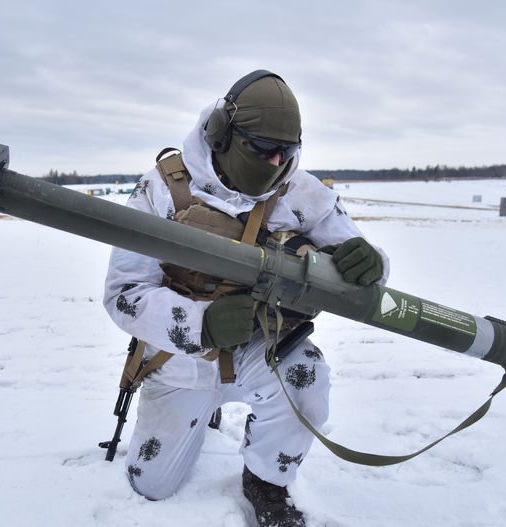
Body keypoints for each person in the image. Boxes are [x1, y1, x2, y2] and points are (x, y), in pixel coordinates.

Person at [103, 70, 388, 527]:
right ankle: (197, 417)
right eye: (261, 149)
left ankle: (265, 480)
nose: (275, 163)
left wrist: (371, 262)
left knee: (307, 380)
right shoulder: (162, 189)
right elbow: (124, 294)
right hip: (179, 360)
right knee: (151, 486)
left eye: (287, 152)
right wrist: (201, 325)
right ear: (222, 135)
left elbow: (357, 256)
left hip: (263, 347)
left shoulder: (302, 192)